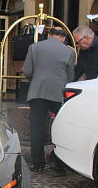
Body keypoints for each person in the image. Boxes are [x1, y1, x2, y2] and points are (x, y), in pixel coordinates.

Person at [23, 28, 75, 174]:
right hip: (58, 93)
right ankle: (58, 162)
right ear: (64, 38)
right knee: (62, 128)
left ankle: (37, 164)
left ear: (48, 35)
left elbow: (27, 70)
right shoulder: (69, 51)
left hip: (38, 91)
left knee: (37, 128)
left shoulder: (34, 47)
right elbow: (70, 76)